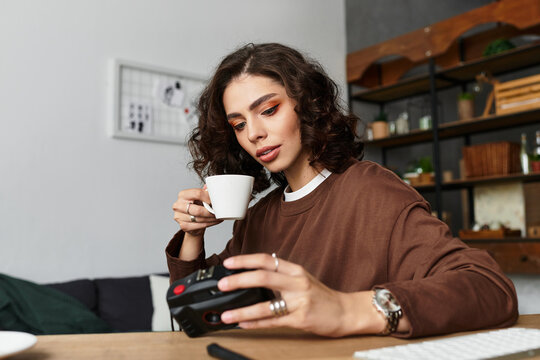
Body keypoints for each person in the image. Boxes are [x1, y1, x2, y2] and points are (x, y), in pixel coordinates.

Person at [166, 43, 518, 338]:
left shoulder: (371, 190)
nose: (253, 133)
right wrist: (192, 235)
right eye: (239, 124)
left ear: (307, 105)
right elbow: (197, 315)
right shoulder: (258, 217)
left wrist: (347, 309)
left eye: (269, 110)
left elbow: (489, 289)